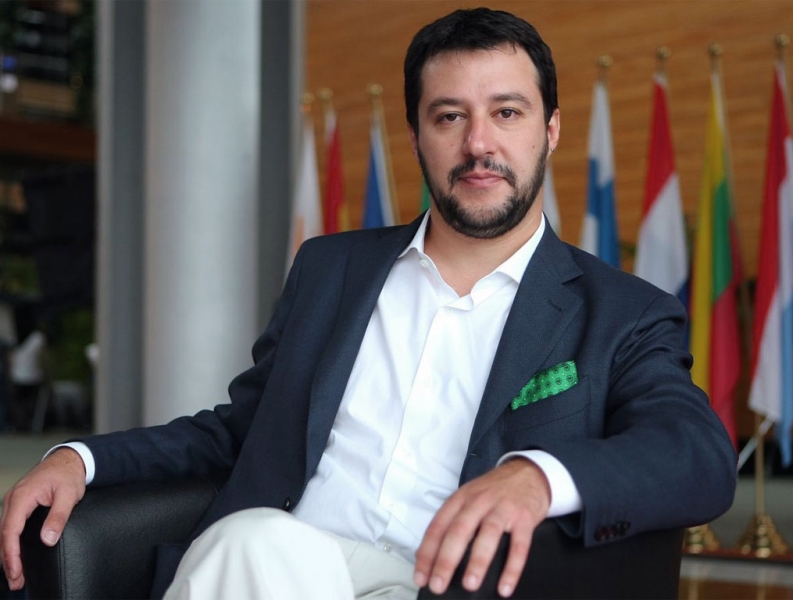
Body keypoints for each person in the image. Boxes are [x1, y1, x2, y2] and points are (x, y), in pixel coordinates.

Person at [2, 7, 737, 599]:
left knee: (254, 544)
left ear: (550, 131)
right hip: (278, 568)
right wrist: (82, 459)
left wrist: (538, 476)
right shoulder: (332, 269)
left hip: (442, 584)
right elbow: (238, 432)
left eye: (507, 113)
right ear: (417, 136)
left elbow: (698, 455)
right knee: (257, 542)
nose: (478, 144)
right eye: (449, 117)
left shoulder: (621, 314)